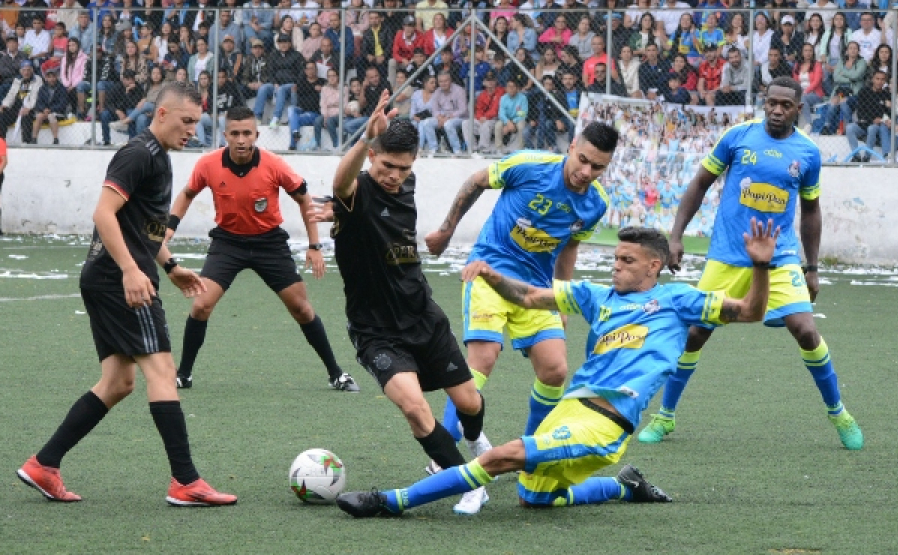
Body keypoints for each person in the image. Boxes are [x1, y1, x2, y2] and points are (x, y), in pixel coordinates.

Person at [335, 220, 779, 518]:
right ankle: (626, 488)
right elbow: (529, 297)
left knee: (500, 456)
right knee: (535, 497)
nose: (616, 265)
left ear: (653, 265)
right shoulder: (597, 296)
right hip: (570, 407)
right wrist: (492, 277)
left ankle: (390, 501)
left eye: (626, 260)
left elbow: (750, 310)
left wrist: (760, 265)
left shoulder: (680, 299)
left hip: (607, 422)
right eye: (616, 257)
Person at [15, 82, 236, 507]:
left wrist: (169, 266)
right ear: (162, 114)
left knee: (117, 382)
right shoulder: (139, 153)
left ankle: (45, 464)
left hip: (107, 277)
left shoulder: (160, 157)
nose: (193, 130)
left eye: (198, 123)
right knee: (162, 368)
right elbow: (103, 212)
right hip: (118, 280)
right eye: (187, 121)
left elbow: (144, 228)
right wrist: (132, 270)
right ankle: (185, 481)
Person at [636, 76, 864, 451]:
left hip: (780, 256)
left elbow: (811, 211)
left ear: (798, 109)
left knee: (806, 330)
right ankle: (665, 417)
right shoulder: (737, 137)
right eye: (771, 103)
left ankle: (839, 413)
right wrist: (675, 236)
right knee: (695, 333)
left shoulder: (807, 153)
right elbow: (699, 184)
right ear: (764, 103)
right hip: (728, 254)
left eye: (785, 105)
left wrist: (812, 267)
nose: (776, 110)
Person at [423, 123, 619, 507]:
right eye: (582, 160)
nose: (586, 172)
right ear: (572, 146)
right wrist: (447, 230)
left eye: (598, 167)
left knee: (555, 371)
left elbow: (568, 250)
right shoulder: (529, 166)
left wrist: (560, 298)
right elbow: (476, 182)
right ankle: (441, 459)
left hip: (535, 290)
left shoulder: (596, 203)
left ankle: (529, 455)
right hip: (489, 273)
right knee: (482, 360)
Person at [324, 96, 488, 515]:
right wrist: (366, 137)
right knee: (415, 409)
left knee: (469, 403)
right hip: (376, 331)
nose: (395, 177)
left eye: (404, 168)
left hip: (424, 317)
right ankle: (468, 482)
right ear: (372, 157)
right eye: (386, 167)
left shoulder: (407, 184)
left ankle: (474, 442)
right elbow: (341, 183)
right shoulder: (356, 190)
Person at [164, 105, 358, 391]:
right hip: (227, 243)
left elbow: (304, 200)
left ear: (256, 134)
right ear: (225, 135)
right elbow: (187, 194)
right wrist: (168, 229)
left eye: (246, 133)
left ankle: (336, 374)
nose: (241, 140)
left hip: (269, 243)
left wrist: (314, 245)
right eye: (235, 134)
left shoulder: (274, 164)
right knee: (201, 305)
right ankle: (184, 374)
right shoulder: (208, 164)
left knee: (302, 309)